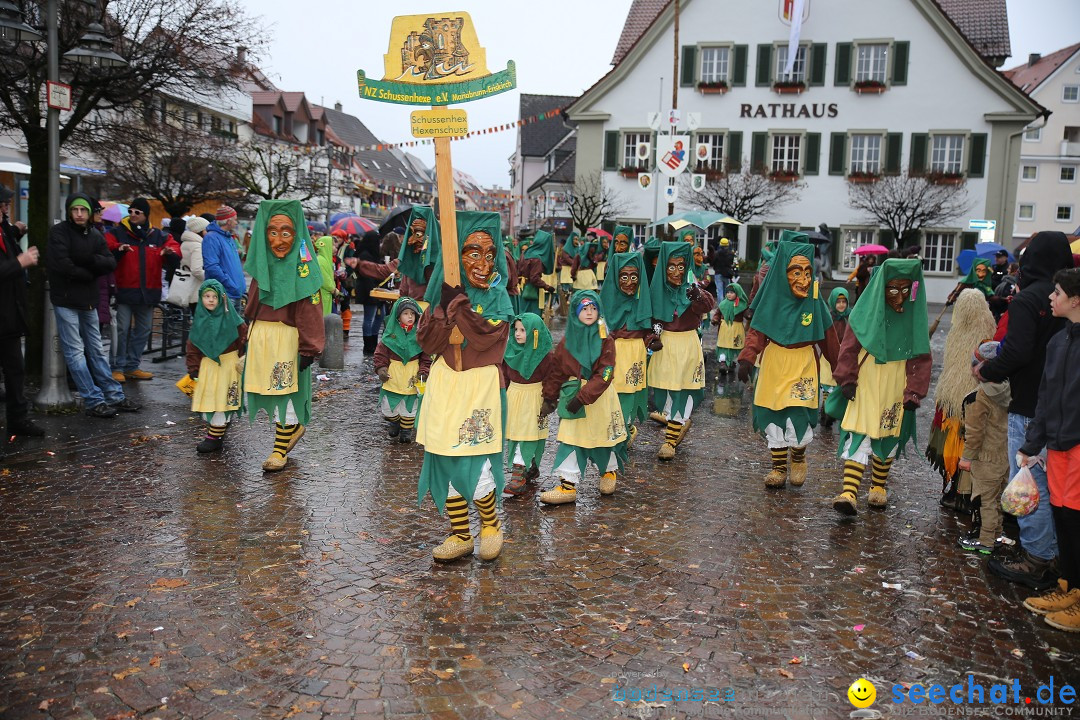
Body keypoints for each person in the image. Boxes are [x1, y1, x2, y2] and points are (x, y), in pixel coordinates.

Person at [977, 231, 1074, 590]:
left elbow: (1015, 352)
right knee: (1055, 488)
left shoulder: (1028, 299)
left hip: (1029, 405)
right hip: (1061, 408)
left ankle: (1036, 558)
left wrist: (986, 369)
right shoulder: (1066, 299)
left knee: (1030, 485)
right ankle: (1053, 555)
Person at [416, 211, 513, 562]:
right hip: (445, 383)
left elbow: (488, 335)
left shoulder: (499, 296)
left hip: (478, 385)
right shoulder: (445, 290)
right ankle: (461, 534)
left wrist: (461, 307)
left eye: (489, 254)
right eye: (473, 253)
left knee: (474, 459)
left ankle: (490, 526)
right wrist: (444, 307)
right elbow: (427, 340)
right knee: (443, 457)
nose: (483, 264)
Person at [830, 259, 931, 515]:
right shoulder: (864, 313)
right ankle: (849, 492)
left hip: (897, 382)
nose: (900, 297)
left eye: (905, 290)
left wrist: (914, 391)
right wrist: (847, 378)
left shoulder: (911, 317)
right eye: (894, 290)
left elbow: (920, 355)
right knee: (860, 429)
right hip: (867, 379)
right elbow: (849, 346)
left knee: (888, 431)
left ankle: (878, 486)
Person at [737, 238, 839, 488]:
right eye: (796, 272)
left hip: (802, 361)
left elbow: (829, 338)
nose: (803, 279)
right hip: (774, 361)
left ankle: (799, 456)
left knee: (798, 411)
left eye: (807, 272)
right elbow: (757, 331)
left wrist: (842, 371)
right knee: (773, 412)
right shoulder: (772, 298)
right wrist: (747, 358)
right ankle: (779, 466)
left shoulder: (814, 300)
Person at [1017, 268, 1080, 631]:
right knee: (1061, 514)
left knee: (1076, 519)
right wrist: (1031, 444)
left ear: (1075, 299)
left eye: (1057, 293)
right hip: (1056, 446)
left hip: (1076, 444)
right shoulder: (1058, 340)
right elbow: (1044, 399)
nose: (1050, 298)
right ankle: (1069, 586)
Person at [241, 199, 325, 472]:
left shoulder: (303, 271)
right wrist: (245, 336)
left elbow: (310, 308)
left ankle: (280, 448)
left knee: (284, 393)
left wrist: (309, 347)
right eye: (272, 232)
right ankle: (290, 431)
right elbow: (252, 306)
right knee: (267, 391)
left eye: (286, 233)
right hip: (261, 339)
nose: (278, 240)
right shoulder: (262, 267)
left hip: (286, 341)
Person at [47, 194, 140, 418]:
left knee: (96, 350)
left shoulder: (96, 235)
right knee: (76, 352)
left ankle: (113, 395)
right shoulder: (59, 233)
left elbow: (108, 262)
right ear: (69, 211)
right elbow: (62, 265)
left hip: (89, 300)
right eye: (75, 209)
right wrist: (90, 269)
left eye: (83, 210)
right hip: (67, 299)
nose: (79, 214)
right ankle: (93, 399)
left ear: (89, 213)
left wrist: (87, 262)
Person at [539, 290, 626, 503]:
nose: (589, 312)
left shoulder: (606, 340)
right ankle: (567, 487)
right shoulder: (568, 341)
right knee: (570, 440)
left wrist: (583, 397)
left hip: (598, 397)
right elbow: (557, 369)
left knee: (601, 439)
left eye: (593, 308)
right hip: (573, 398)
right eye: (584, 309)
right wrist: (549, 397)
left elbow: (605, 372)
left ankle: (608, 472)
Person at [926, 290, 997, 511]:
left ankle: (958, 491)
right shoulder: (987, 328)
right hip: (962, 398)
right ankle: (960, 491)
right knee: (963, 444)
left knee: (957, 443)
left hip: (957, 398)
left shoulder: (963, 330)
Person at [649, 241, 716, 460]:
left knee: (684, 390)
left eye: (681, 266)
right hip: (665, 345)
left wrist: (697, 294)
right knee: (666, 389)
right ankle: (675, 423)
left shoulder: (691, 287)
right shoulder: (656, 289)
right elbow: (648, 319)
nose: (676, 272)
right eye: (671, 267)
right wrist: (651, 337)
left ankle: (670, 440)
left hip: (687, 344)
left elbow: (708, 305)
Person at [599, 252, 659, 447]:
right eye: (624, 277)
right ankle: (617, 428)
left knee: (629, 394)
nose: (630, 282)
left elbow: (647, 326)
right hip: (613, 351)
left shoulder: (642, 301)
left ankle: (623, 429)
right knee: (611, 391)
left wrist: (651, 339)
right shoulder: (606, 302)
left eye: (634, 277)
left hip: (635, 352)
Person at [956, 341, 1011, 554]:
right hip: (1004, 454)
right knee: (997, 498)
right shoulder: (1008, 387)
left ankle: (986, 541)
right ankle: (996, 533)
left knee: (986, 501)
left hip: (986, 457)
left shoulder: (979, 398)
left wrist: (967, 457)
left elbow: (975, 432)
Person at [106, 198, 168, 382]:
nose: (133, 214)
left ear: (145, 215)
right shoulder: (117, 232)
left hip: (147, 292)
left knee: (144, 330)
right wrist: (119, 248)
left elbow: (173, 246)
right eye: (131, 211)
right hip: (123, 291)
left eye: (137, 212)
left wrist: (170, 252)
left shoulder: (157, 235)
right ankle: (117, 366)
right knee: (122, 330)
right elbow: (107, 246)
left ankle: (132, 366)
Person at [0, 183, 44, 443]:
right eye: (2, 206)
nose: (5, 209)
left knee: (16, 371)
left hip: (9, 316)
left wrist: (14, 233)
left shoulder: (3, 231)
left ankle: (18, 420)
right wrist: (20, 262)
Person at [185, 280, 247, 453]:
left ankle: (214, 436)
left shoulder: (233, 320)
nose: (211, 300)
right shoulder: (199, 321)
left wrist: (243, 358)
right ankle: (218, 429)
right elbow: (193, 346)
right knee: (211, 398)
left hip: (228, 365)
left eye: (215, 297)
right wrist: (193, 368)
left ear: (222, 299)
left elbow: (244, 338)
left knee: (223, 399)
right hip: (208, 366)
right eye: (206, 296)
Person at [501, 313, 553, 497]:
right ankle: (529, 466)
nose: (518, 334)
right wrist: (500, 395)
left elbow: (551, 379)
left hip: (534, 398)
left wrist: (549, 400)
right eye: (516, 329)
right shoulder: (510, 351)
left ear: (534, 333)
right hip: (514, 396)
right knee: (516, 434)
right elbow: (504, 375)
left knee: (528, 436)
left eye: (523, 330)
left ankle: (518, 474)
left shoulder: (544, 355)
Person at [374, 297, 429, 445]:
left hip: (412, 375)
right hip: (393, 377)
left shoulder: (420, 336)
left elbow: (426, 357)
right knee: (388, 409)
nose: (410, 316)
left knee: (410, 407)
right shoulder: (389, 336)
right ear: (398, 316)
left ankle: (406, 430)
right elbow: (380, 355)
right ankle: (394, 421)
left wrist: (423, 372)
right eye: (405, 313)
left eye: (412, 313)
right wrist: (381, 369)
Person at [202, 205, 246, 314]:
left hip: (235, 293)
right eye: (235, 219)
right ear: (228, 221)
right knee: (223, 329)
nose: (237, 222)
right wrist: (229, 284)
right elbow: (212, 267)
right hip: (224, 294)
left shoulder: (229, 238)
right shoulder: (212, 238)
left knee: (234, 330)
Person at [818, 287, 851, 429]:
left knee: (838, 386)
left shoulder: (850, 318)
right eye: (838, 302)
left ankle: (834, 410)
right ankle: (825, 411)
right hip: (828, 357)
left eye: (844, 301)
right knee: (827, 385)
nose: (841, 305)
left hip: (843, 357)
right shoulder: (828, 318)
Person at [398, 206, 439, 302]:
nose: (411, 241)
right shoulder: (409, 258)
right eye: (411, 233)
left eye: (418, 235)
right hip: (412, 311)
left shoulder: (438, 263)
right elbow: (403, 292)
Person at [516, 229, 556, 318]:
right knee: (533, 317)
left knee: (523, 315)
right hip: (532, 292)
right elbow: (534, 278)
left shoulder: (526, 253)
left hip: (524, 288)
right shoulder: (536, 258)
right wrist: (547, 287)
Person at [713, 283, 748, 376]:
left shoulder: (741, 305)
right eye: (728, 292)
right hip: (724, 329)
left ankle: (732, 362)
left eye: (732, 292)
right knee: (723, 346)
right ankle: (723, 363)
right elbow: (718, 313)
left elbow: (746, 314)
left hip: (737, 328)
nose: (729, 294)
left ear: (737, 293)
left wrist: (749, 314)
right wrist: (715, 319)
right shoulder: (723, 304)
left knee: (735, 345)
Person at [179, 216, 209, 300]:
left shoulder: (186, 242)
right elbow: (196, 270)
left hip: (187, 285)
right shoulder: (197, 246)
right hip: (196, 289)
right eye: (207, 230)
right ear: (200, 231)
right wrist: (210, 278)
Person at [312, 235, 336, 316]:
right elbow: (325, 279)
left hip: (326, 295)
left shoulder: (324, 260)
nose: (334, 247)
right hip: (323, 295)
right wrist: (333, 288)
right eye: (332, 245)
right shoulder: (320, 261)